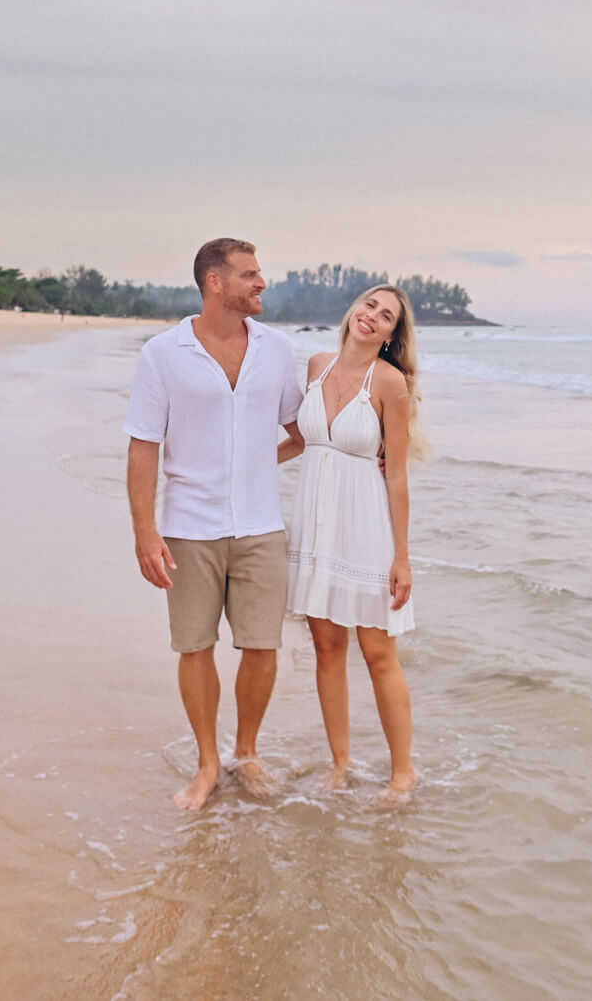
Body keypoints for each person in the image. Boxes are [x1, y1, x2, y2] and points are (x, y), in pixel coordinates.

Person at [125, 238, 305, 811]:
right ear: (214, 282)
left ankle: (245, 755)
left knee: (261, 646)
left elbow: (301, 432)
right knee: (195, 646)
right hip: (188, 526)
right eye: (250, 275)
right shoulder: (162, 353)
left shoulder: (277, 350)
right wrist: (144, 531)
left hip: (260, 525)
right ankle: (207, 764)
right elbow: (143, 447)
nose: (261, 284)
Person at [287, 283, 421, 806]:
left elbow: (398, 475)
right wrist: (239, 462)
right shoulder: (316, 364)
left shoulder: (389, 383)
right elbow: (302, 442)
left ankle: (403, 772)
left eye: (386, 316)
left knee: (377, 652)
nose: (372, 316)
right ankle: (340, 764)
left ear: (391, 335)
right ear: (354, 309)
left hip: (366, 529)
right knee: (326, 647)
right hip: (316, 526)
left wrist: (402, 556)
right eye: (370, 304)